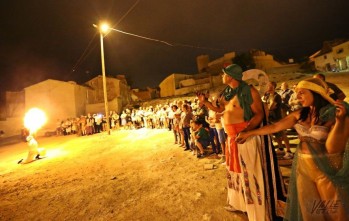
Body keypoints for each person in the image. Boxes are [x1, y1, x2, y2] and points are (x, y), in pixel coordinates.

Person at [236, 77, 349, 220]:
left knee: (333, 208)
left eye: (302, 92)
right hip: (304, 169)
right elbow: (275, 127)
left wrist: (339, 122)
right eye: (297, 93)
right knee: (310, 209)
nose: (297, 96)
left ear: (315, 92)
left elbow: (332, 148)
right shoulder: (300, 114)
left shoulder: (335, 115)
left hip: (326, 170)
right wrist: (249, 133)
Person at [198, 64, 286, 221]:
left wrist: (246, 132)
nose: (221, 77)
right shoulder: (227, 93)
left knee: (249, 174)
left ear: (230, 76)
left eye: (223, 74)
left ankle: (256, 211)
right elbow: (220, 110)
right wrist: (205, 103)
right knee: (235, 173)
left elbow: (259, 114)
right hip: (232, 138)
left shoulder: (249, 91)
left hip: (245, 138)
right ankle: (240, 204)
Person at [263, 81, 293, 159]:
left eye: (270, 86)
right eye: (268, 86)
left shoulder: (277, 96)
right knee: (276, 135)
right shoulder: (266, 95)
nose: (268, 87)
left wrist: (267, 106)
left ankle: (289, 151)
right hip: (270, 117)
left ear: (274, 87)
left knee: (282, 134)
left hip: (277, 118)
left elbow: (270, 107)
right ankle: (280, 149)